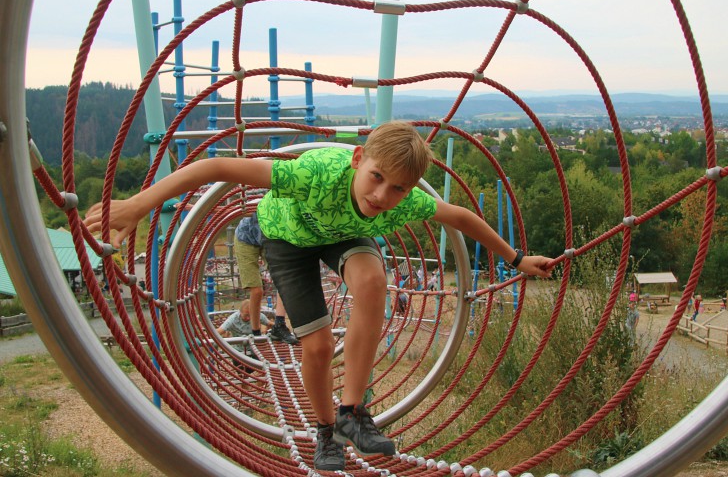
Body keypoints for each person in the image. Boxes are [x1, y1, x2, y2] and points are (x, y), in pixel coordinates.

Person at [85, 121, 554, 471]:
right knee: (318, 345)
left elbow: (460, 218)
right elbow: (216, 167)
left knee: (372, 281)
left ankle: (353, 412)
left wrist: (516, 261)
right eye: (376, 178)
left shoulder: (402, 201)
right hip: (287, 238)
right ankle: (325, 431)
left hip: (341, 235)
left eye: (399, 188)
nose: (384, 195)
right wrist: (138, 204)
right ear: (356, 159)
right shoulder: (314, 173)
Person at [235, 213, 298, 346]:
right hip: (245, 236)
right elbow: (239, 209)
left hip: (269, 236)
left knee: (284, 279)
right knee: (257, 291)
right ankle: (256, 332)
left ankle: (279, 325)